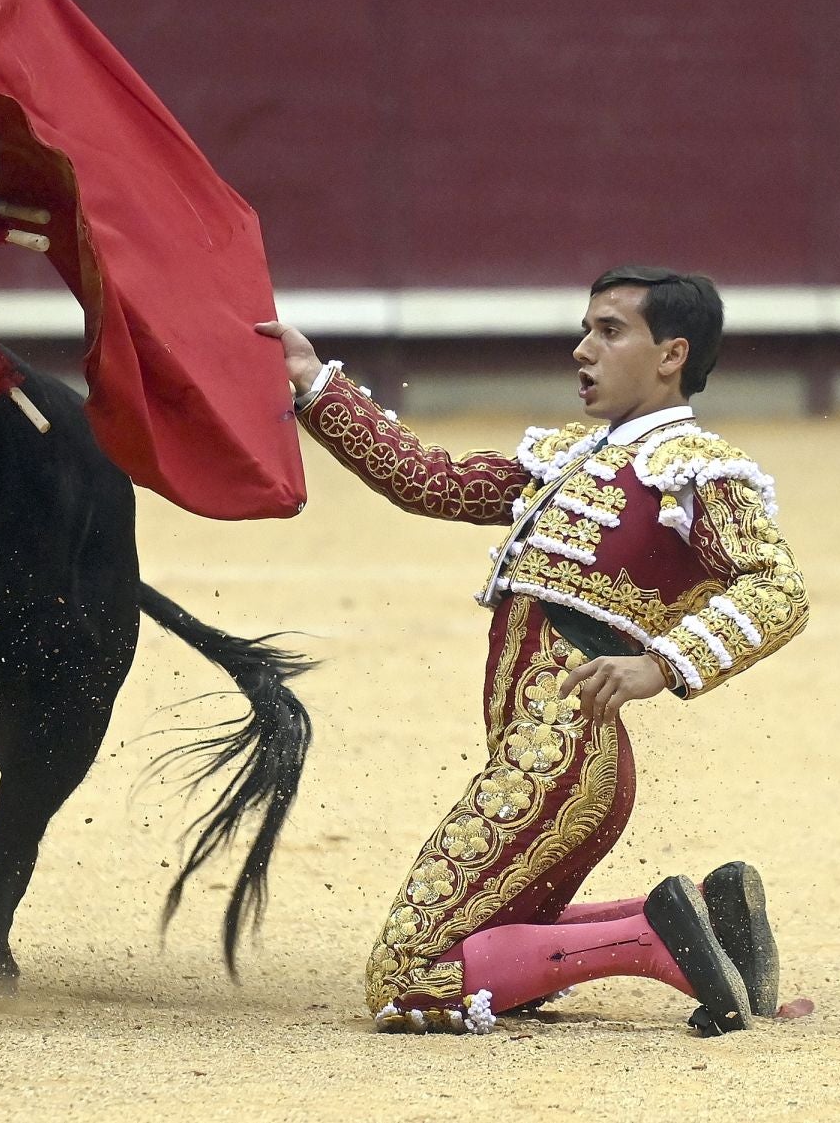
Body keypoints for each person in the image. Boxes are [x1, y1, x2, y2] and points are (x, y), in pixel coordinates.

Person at [257, 267, 809, 1036]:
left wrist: (663, 664)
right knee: (474, 946)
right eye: (586, 328)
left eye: (609, 331)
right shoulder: (564, 459)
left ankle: (655, 942)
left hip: (559, 759)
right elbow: (433, 481)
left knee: (407, 976)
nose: (583, 348)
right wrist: (314, 381)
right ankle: (704, 924)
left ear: (671, 354)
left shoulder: (697, 470)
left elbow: (777, 587)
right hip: (539, 756)